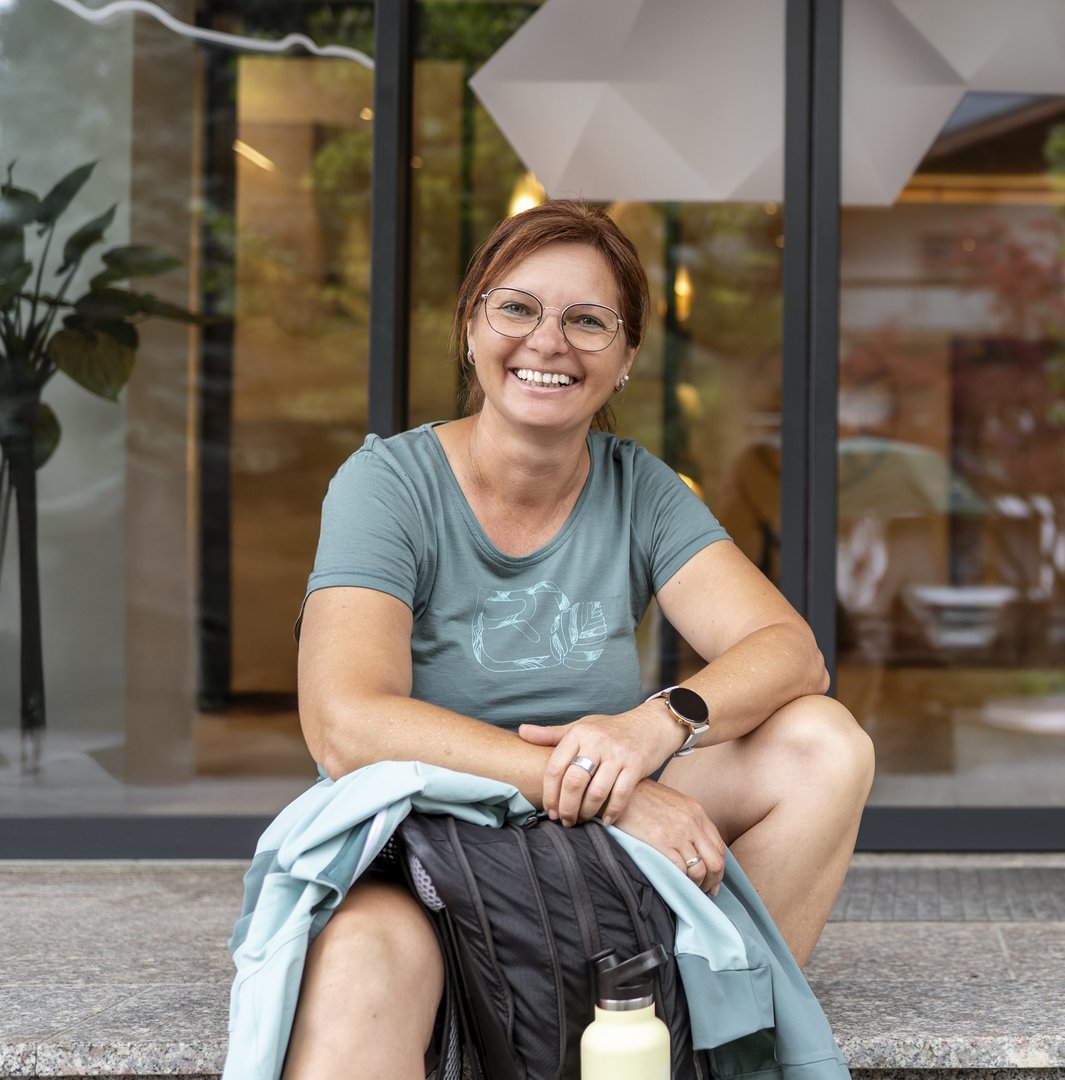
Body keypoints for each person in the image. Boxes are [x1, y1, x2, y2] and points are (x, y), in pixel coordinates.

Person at [284, 200, 873, 1079]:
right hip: (425, 841)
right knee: (362, 964)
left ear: (626, 357)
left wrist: (654, 727)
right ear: (472, 328)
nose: (548, 342)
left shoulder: (643, 490)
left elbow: (790, 651)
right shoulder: (388, 484)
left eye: (588, 321)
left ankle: (702, 1039)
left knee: (823, 744)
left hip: (594, 840)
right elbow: (346, 724)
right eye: (517, 307)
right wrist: (604, 791)